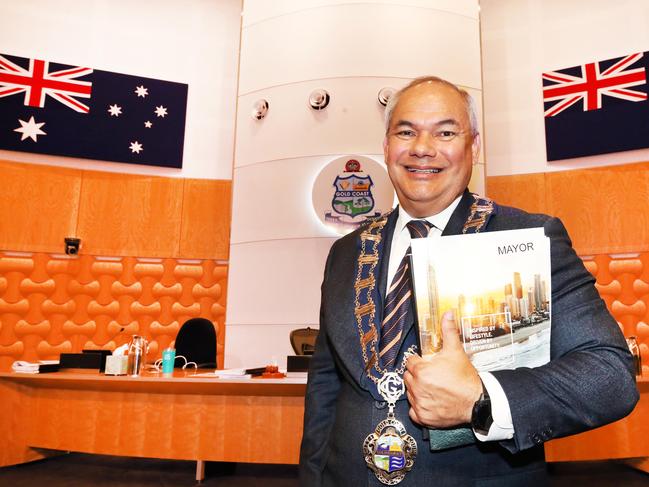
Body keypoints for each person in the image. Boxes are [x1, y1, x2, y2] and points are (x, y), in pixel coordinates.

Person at [299, 76, 639, 486]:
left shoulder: (527, 238)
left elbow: (609, 376)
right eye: (406, 131)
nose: (423, 148)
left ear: (473, 146)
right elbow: (325, 383)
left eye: (445, 132)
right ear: (387, 146)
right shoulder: (347, 252)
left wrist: (481, 399)